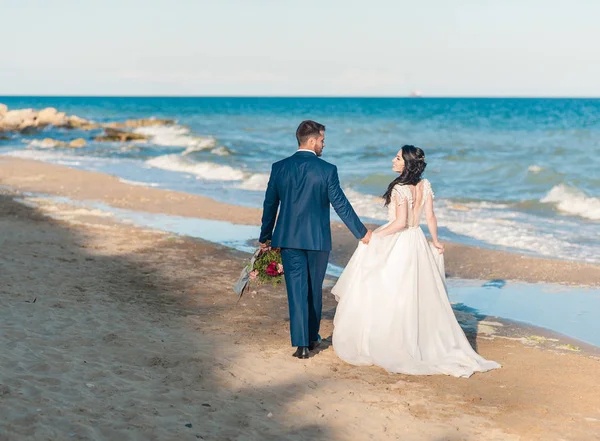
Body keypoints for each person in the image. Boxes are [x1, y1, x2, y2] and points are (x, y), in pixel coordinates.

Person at [331, 145, 500, 377]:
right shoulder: (425, 185)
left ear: (407, 163)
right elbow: (430, 216)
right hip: (418, 241)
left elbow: (400, 223)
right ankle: (418, 337)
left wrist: (374, 236)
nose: (393, 159)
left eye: (398, 157)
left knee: (391, 289)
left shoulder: (401, 188)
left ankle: (394, 339)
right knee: (415, 292)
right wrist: (436, 241)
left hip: (400, 241)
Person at [259, 120, 372, 359]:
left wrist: (265, 236)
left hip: (288, 238)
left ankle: (301, 346)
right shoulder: (327, 170)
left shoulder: (279, 167)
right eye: (322, 140)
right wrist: (361, 232)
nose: (323, 144)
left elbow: (270, 203)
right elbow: (340, 203)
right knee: (313, 289)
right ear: (311, 141)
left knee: (297, 290)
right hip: (317, 239)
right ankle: (311, 338)